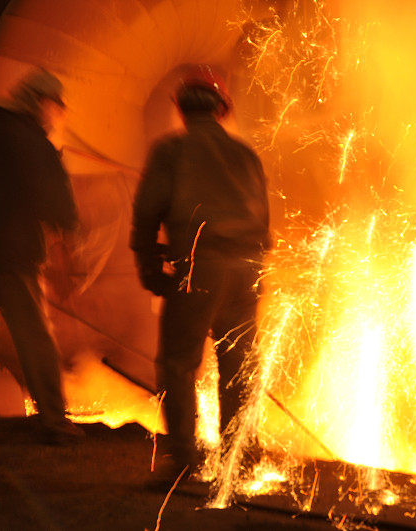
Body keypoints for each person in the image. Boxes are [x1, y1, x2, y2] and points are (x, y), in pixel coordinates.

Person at [131, 66, 270, 486]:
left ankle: (184, 460)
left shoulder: (171, 151)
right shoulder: (246, 154)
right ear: (222, 110)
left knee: (178, 363)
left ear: (182, 110)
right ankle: (238, 459)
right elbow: (264, 221)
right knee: (238, 364)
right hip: (246, 267)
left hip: (199, 266)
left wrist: (150, 267)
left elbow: (146, 213)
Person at [0, 68, 85, 449]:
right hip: (12, 256)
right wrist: (68, 246)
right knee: (34, 339)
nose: (57, 113)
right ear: (41, 102)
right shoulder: (32, 143)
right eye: (56, 106)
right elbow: (57, 203)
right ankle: (55, 421)